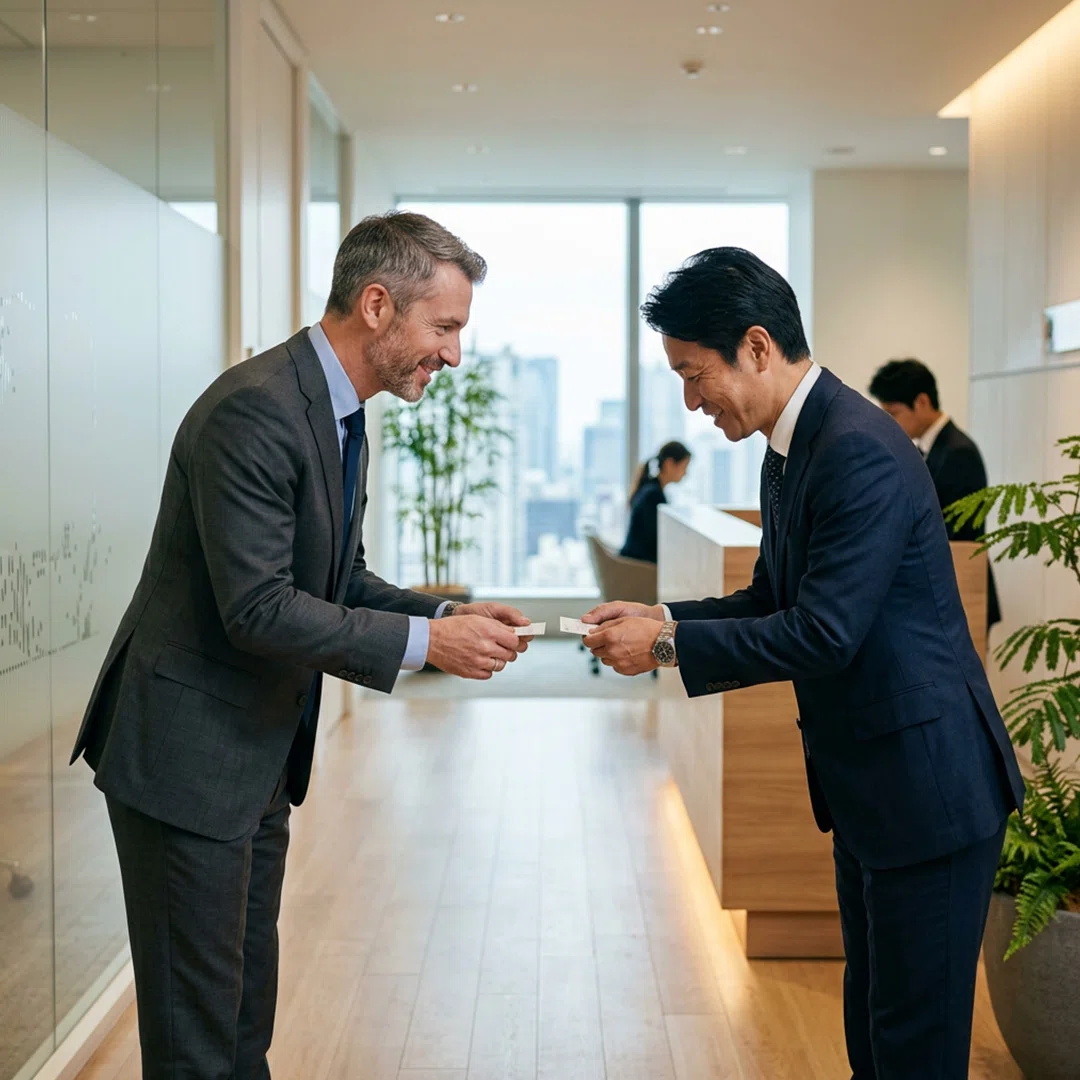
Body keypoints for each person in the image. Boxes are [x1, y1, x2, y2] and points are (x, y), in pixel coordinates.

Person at [69, 211, 532, 1078]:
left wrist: (448, 614)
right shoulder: (256, 410)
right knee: (198, 1046)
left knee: (242, 1025)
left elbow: (337, 579)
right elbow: (260, 609)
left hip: (250, 759)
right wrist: (425, 643)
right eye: (446, 327)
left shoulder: (334, 411)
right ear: (377, 304)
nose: (454, 354)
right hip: (185, 765)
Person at [581, 247, 1024, 1080]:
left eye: (692, 372)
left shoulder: (854, 446)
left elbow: (822, 633)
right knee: (875, 1032)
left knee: (913, 1050)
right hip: (872, 791)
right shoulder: (793, 445)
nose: (690, 400)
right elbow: (769, 599)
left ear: (755, 346)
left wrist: (666, 648)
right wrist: (663, 615)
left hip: (928, 793)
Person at [869, 358, 1000, 628]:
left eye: (893, 413)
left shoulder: (958, 452)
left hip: (963, 591)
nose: (888, 423)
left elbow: (954, 532)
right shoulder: (925, 448)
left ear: (922, 402)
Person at [620, 440, 692, 563]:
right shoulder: (653, 495)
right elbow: (657, 539)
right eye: (684, 467)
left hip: (633, 563)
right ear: (669, 464)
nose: (685, 473)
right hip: (638, 568)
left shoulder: (649, 488)